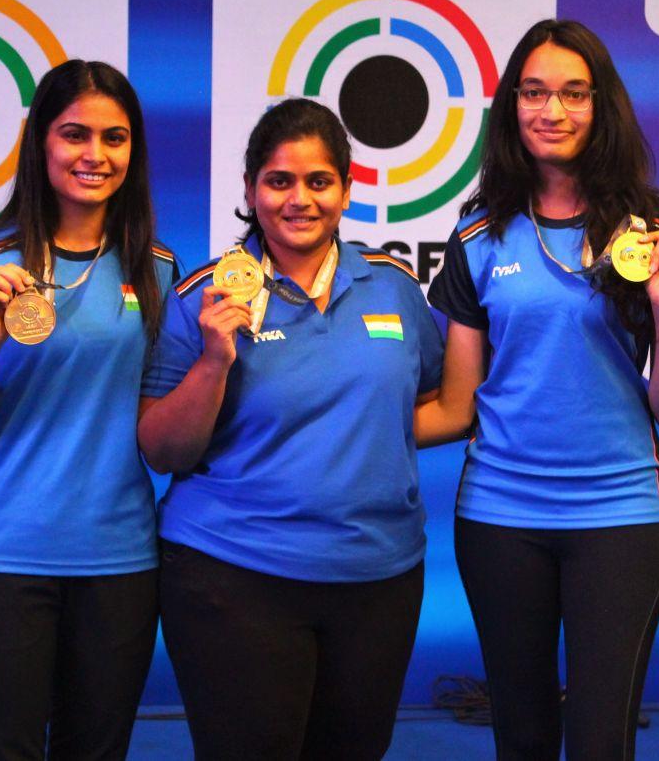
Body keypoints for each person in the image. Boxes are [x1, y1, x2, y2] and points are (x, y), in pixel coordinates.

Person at [417, 20, 659, 760]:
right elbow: (457, 403)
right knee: (521, 738)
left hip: (619, 515)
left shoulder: (651, 229)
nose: (553, 111)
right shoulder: (478, 235)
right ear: (512, 106)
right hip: (499, 518)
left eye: (573, 94)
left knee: (599, 742)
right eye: (535, 92)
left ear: (600, 104)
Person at [138, 98, 443, 760]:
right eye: (279, 181)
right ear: (250, 190)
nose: (299, 199)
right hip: (234, 572)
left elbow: (431, 401)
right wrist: (216, 360)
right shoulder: (203, 298)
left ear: (347, 188)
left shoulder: (393, 288)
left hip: (378, 575)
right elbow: (163, 449)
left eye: (318, 181)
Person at [0, 59, 178, 760]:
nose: (95, 155)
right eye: (74, 134)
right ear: (41, 143)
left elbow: (166, 425)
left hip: (120, 560)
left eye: (115, 138)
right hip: (2, 559)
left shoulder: (161, 271)